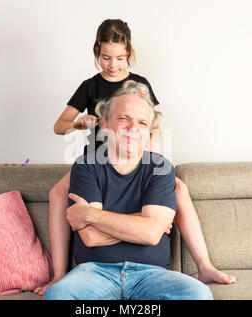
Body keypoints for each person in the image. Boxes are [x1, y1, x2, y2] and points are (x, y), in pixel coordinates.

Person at [34, 19, 235, 296]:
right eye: (106, 58)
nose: (113, 64)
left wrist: (145, 160)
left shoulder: (139, 85)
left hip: (136, 157)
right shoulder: (89, 86)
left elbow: (151, 126)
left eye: (119, 58)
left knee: (178, 187)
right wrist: (80, 123)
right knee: (58, 193)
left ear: (129, 54)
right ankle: (58, 274)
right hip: (97, 156)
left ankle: (204, 264)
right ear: (97, 53)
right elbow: (60, 126)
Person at [44, 80, 214, 300]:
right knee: (58, 294)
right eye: (124, 118)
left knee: (198, 294)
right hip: (94, 273)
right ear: (104, 123)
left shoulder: (160, 168)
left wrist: (90, 214)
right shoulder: (85, 166)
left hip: (152, 274)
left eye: (142, 122)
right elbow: (91, 237)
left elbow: (151, 234)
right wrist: (145, 223)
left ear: (149, 131)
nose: (133, 128)